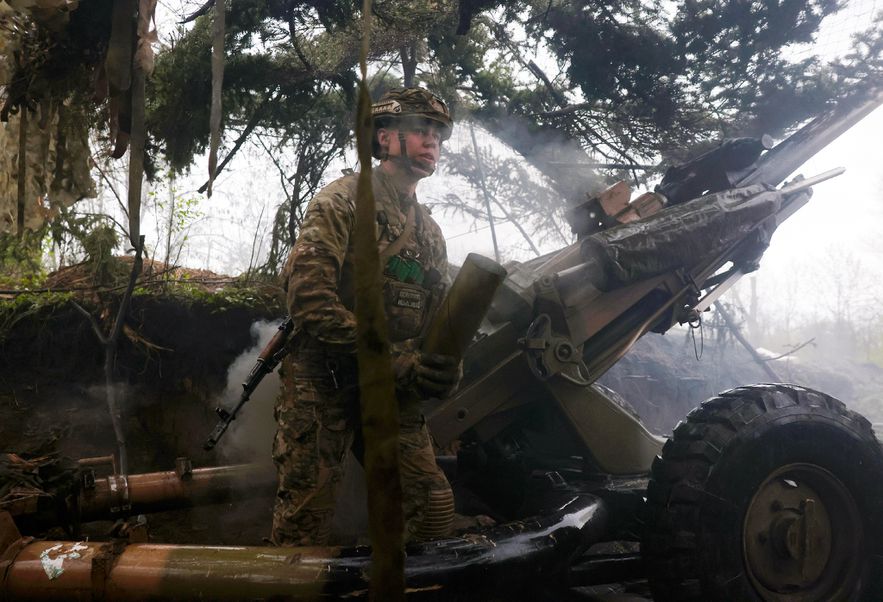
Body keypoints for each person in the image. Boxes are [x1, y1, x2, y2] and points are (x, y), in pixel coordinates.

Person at [271, 87, 462, 546]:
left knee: (432, 508)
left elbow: (438, 318)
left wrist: (446, 369)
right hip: (324, 381)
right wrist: (393, 357)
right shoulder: (342, 202)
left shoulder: (430, 233)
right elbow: (310, 301)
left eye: (437, 134)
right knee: (304, 523)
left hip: (389, 391)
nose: (431, 142)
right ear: (383, 139)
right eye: (419, 131)